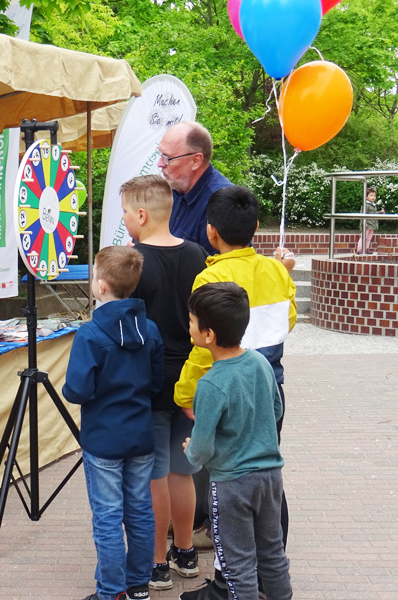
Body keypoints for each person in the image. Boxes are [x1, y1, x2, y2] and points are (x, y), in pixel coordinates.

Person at [175, 186, 296, 600]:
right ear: (257, 227)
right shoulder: (277, 271)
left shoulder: (210, 277)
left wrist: (184, 393)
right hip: (267, 384)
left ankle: (231, 583)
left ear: (211, 233)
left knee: (231, 496)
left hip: (223, 391)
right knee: (267, 482)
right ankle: (271, 577)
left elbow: (200, 350)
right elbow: (289, 320)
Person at [119, 175, 207, 591]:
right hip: (190, 381)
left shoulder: (131, 262)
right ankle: (186, 552)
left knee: (153, 474)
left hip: (149, 382)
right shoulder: (196, 255)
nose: (124, 219)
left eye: (124, 212)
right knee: (182, 471)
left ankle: (155, 562)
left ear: (140, 214)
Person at [63, 246, 165, 600]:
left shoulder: (90, 334)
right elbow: (155, 383)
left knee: (107, 517)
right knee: (139, 510)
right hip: (140, 436)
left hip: (103, 439)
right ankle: (138, 585)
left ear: (101, 287)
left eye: (93, 275)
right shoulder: (150, 329)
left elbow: (76, 390)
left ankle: (111, 591)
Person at [182, 281, 293, 600]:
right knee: (272, 553)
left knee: (238, 563)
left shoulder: (210, 385)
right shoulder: (260, 363)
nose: (187, 326)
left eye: (191, 321)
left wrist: (192, 452)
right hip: (270, 478)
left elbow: (201, 448)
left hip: (232, 484)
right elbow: (276, 409)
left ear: (208, 335)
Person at [157, 121, 233, 255]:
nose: (160, 164)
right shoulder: (176, 188)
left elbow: (228, 269)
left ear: (196, 160)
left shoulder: (223, 204)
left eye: (167, 158)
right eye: (160, 155)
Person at [356, 187, 384, 254]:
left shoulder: (373, 205)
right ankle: (359, 249)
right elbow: (362, 214)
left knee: (369, 238)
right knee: (363, 237)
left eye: (374, 195)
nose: (373, 197)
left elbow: (373, 214)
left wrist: (380, 212)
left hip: (372, 224)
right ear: (366, 196)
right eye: (371, 195)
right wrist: (364, 222)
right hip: (367, 224)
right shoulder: (366, 205)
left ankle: (366, 248)